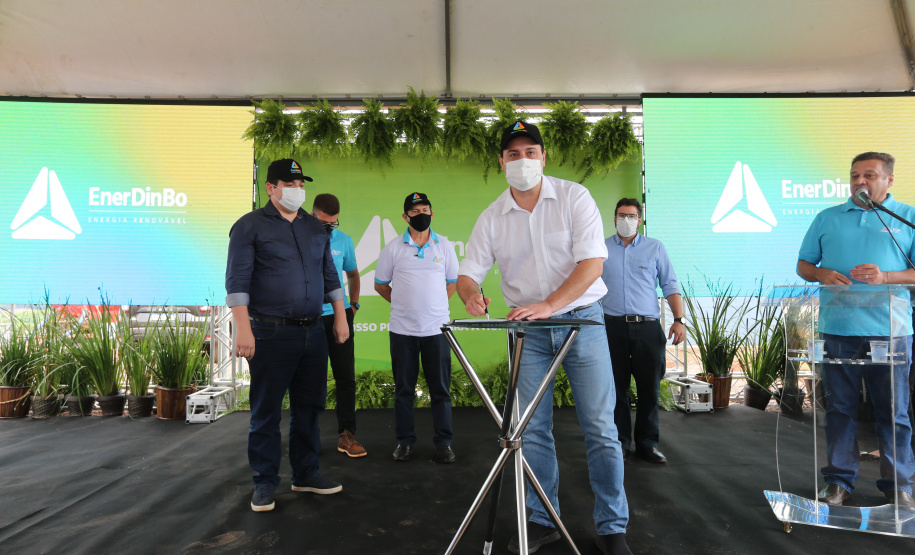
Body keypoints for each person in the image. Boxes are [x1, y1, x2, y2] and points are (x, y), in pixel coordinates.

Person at [458, 121, 631, 555]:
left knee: (600, 427)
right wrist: (471, 295)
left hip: (582, 324)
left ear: (544, 156)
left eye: (530, 152)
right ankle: (542, 517)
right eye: (513, 154)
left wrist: (549, 306)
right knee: (531, 429)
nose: (522, 161)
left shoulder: (575, 198)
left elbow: (592, 265)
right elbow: (466, 275)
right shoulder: (491, 218)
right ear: (501, 161)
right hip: (527, 332)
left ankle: (613, 526)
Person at [225, 159, 350, 512]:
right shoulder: (249, 227)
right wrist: (243, 328)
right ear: (270, 188)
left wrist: (341, 319)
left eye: (300, 184)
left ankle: (306, 473)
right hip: (268, 332)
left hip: (314, 331)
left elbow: (330, 277)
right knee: (266, 411)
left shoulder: (315, 228)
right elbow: (236, 282)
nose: (297, 189)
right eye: (289, 183)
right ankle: (265, 483)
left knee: (309, 408)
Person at [797, 151, 915, 508]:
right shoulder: (827, 218)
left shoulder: (906, 217)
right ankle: (838, 482)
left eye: (869, 175)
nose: (859, 182)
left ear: (888, 180)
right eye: (854, 176)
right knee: (840, 408)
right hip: (838, 328)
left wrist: (886, 277)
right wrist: (819, 274)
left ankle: (899, 485)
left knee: (893, 411)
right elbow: (804, 264)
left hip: (890, 331)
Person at [374, 192, 459, 464]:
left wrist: (433, 307)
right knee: (404, 390)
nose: (421, 214)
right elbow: (380, 284)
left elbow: (452, 283)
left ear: (432, 213)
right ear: (405, 217)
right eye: (415, 211)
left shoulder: (444, 246)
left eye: (426, 209)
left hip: (437, 331)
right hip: (403, 331)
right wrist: (403, 304)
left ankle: (444, 443)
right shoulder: (393, 248)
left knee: (441, 390)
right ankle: (404, 442)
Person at [601, 198, 685, 465]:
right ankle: (621, 444)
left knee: (649, 388)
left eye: (632, 216)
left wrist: (679, 319)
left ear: (640, 220)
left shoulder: (654, 248)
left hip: (647, 327)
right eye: (622, 215)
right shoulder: (600, 249)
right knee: (617, 389)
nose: (627, 220)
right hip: (610, 327)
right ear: (614, 219)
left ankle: (648, 444)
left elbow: (670, 284)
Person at [311, 193, 366, 458]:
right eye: (323, 223)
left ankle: (347, 435)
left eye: (333, 224)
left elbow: (353, 274)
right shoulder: (297, 237)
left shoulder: (343, 241)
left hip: (339, 315)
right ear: (312, 215)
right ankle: (308, 437)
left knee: (345, 377)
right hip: (307, 317)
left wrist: (352, 306)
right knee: (310, 379)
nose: (328, 228)